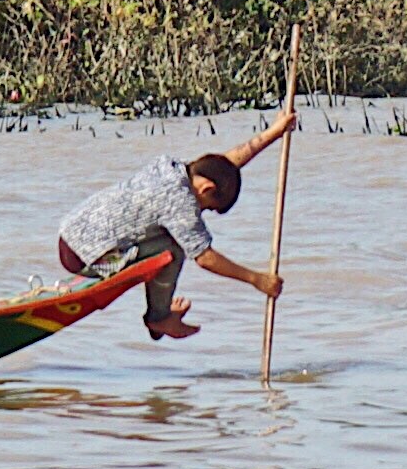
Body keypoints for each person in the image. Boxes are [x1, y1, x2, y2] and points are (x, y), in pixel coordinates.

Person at [56, 111, 295, 341]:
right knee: (173, 250)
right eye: (208, 207)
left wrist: (273, 133)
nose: (202, 212)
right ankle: (159, 318)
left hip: (70, 233)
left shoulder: (172, 169)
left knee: (168, 236)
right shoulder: (181, 203)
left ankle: (159, 311)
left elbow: (223, 166)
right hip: (88, 257)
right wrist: (257, 280)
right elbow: (205, 258)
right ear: (206, 190)